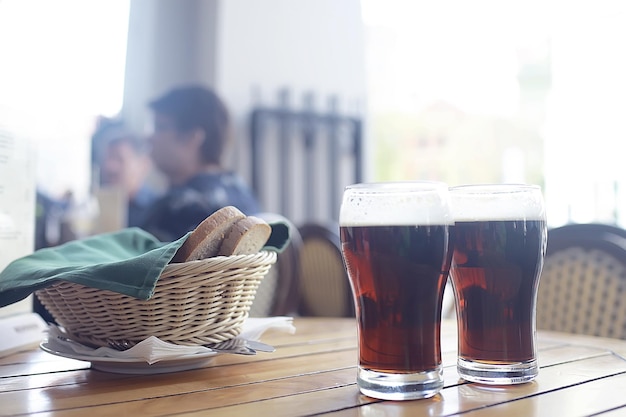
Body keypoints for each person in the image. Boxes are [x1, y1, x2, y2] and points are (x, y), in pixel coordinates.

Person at [140, 85, 261, 241]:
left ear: (193, 137)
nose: (148, 137)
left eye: (159, 127)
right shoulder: (241, 191)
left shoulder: (175, 208)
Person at [97, 129, 159, 228]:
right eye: (107, 159)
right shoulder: (95, 208)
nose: (110, 167)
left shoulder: (157, 210)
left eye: (119, 159)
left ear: (143, 165)